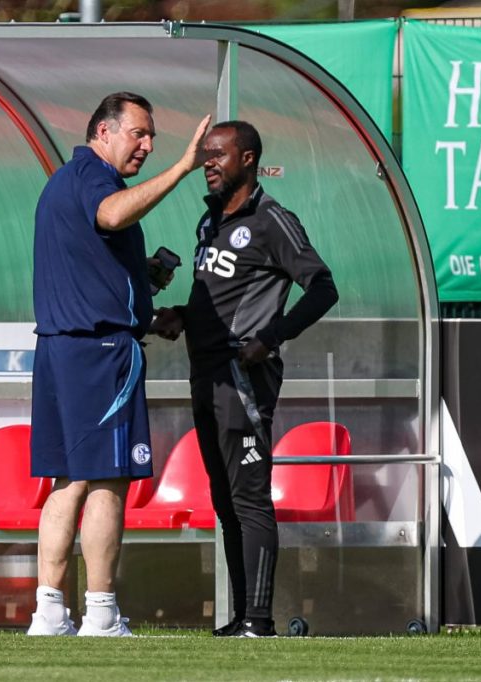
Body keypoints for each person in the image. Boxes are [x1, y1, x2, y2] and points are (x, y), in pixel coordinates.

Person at [28, 92, 210, 637]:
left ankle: (49, 613)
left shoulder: (66, 179)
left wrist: (145, 304)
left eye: (152, 138)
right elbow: (110, 215)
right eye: (139, 134)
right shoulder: (93, 178)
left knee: (67, 481)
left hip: (62, 348)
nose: (148, 146)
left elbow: (92, 277)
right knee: (108, 480)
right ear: (103, 133)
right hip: (98, 353)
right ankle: (102, 613)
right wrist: (183, 168)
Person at [154, 121, 339, 638]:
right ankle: (240, 616)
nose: (208, 163)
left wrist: (273, 336)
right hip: (204, 375)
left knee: (250, 497)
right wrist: (181, 316)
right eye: (205, 155)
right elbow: (210, 297)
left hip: (242, 378)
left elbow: (323, 289)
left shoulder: (272, 220)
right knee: (223, 497)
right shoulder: (208, 221)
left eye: (219, 155)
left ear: (250, 159)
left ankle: (259, 619)